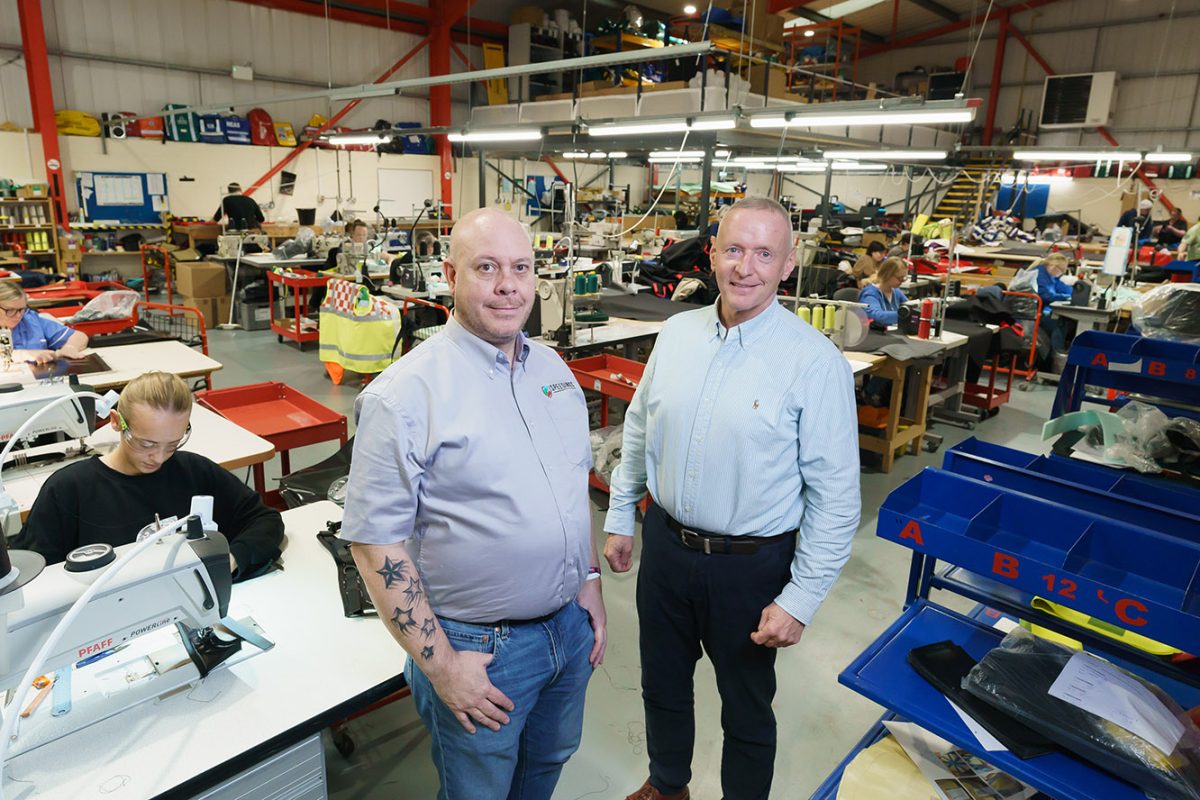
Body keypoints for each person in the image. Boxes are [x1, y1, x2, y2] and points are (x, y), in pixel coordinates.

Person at [341, 208, 606, 800]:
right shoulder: (406, 395)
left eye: (521, 268)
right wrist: (441, 667)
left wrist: (588, 581)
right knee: (478, 790)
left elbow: (571, 487)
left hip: (567, 628)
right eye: (487, 268)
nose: (508, 285)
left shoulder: (554, 370)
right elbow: (373, 542)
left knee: (545, 767)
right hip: (479, 650)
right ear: (450, 273)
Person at [604, 197, 861, 800]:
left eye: (765, 253)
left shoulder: (813, 362)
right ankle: (668, 786)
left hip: (751, 567)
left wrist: (800, 599)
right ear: (712, 253)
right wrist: (621, 515)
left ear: (788, 264)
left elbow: (836, 496)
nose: (747, 267)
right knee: (661, 683)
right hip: (667, 548)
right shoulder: (676, 333)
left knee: (745, 709)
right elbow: (639, 428)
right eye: (735, 249)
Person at [13, 371, 284, 578]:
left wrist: (232, 559)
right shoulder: (69, 490)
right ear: (116, 422)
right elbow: (34, 573)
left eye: (173, 444)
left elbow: (264, 520)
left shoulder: (194, 472)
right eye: (146, 444)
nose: (159, 457)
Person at [0, 282, 88, 365]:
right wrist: (24, 354)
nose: (18, 315)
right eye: (10, 310)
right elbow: (4, 355)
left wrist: (69, 348)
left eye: (22, 309)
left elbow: (79, 336)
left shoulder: (29, 320)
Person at [1033, 253, 1074, 353]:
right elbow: (1046, 296)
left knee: (1065, 321)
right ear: (1054, 267)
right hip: (1033, 314)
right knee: (1058, 324)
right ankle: (1056, 356)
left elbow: (1061, 287)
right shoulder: (1039, 274)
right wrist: (1067, 297)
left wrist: (1076, 291)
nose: (1062, 273)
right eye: (1062, 270)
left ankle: (1058, 354)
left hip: (1040, 310)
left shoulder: (1049, 275)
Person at [859, 257, 910, 326]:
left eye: (904, 278)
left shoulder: (896, 291)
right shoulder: (869, 294)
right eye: (900, 278)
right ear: (887, 275)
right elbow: (878, 316)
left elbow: (910, 306)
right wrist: (905, 315)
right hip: (876, 334)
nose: (902, 281)